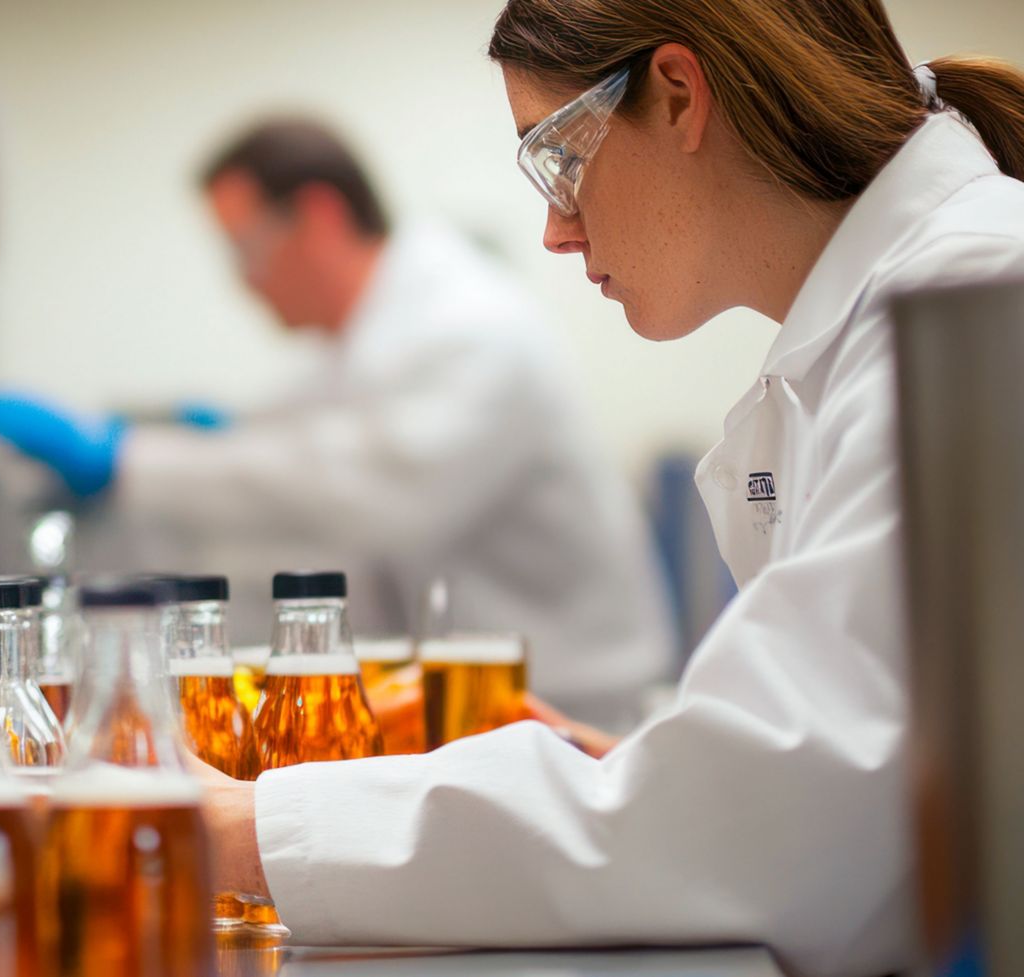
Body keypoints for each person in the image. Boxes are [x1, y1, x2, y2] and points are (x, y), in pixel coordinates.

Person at [199, 2, 1024, 975]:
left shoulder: (976, 292)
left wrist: (239, 827)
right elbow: (830, 775)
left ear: (676, 95)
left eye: (556, 155)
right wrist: (639, 775)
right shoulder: (875, 323)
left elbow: (761, 831)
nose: (552, 227)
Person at [0, 119, 673, 730]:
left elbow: (360, 487)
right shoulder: (374, 333)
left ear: (320, 217)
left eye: (246, 247)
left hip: (575, 708)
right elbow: (293, 432)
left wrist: (124, 459)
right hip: (489, 700)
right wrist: (206, 434)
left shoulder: (468, 325)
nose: (243, 280)